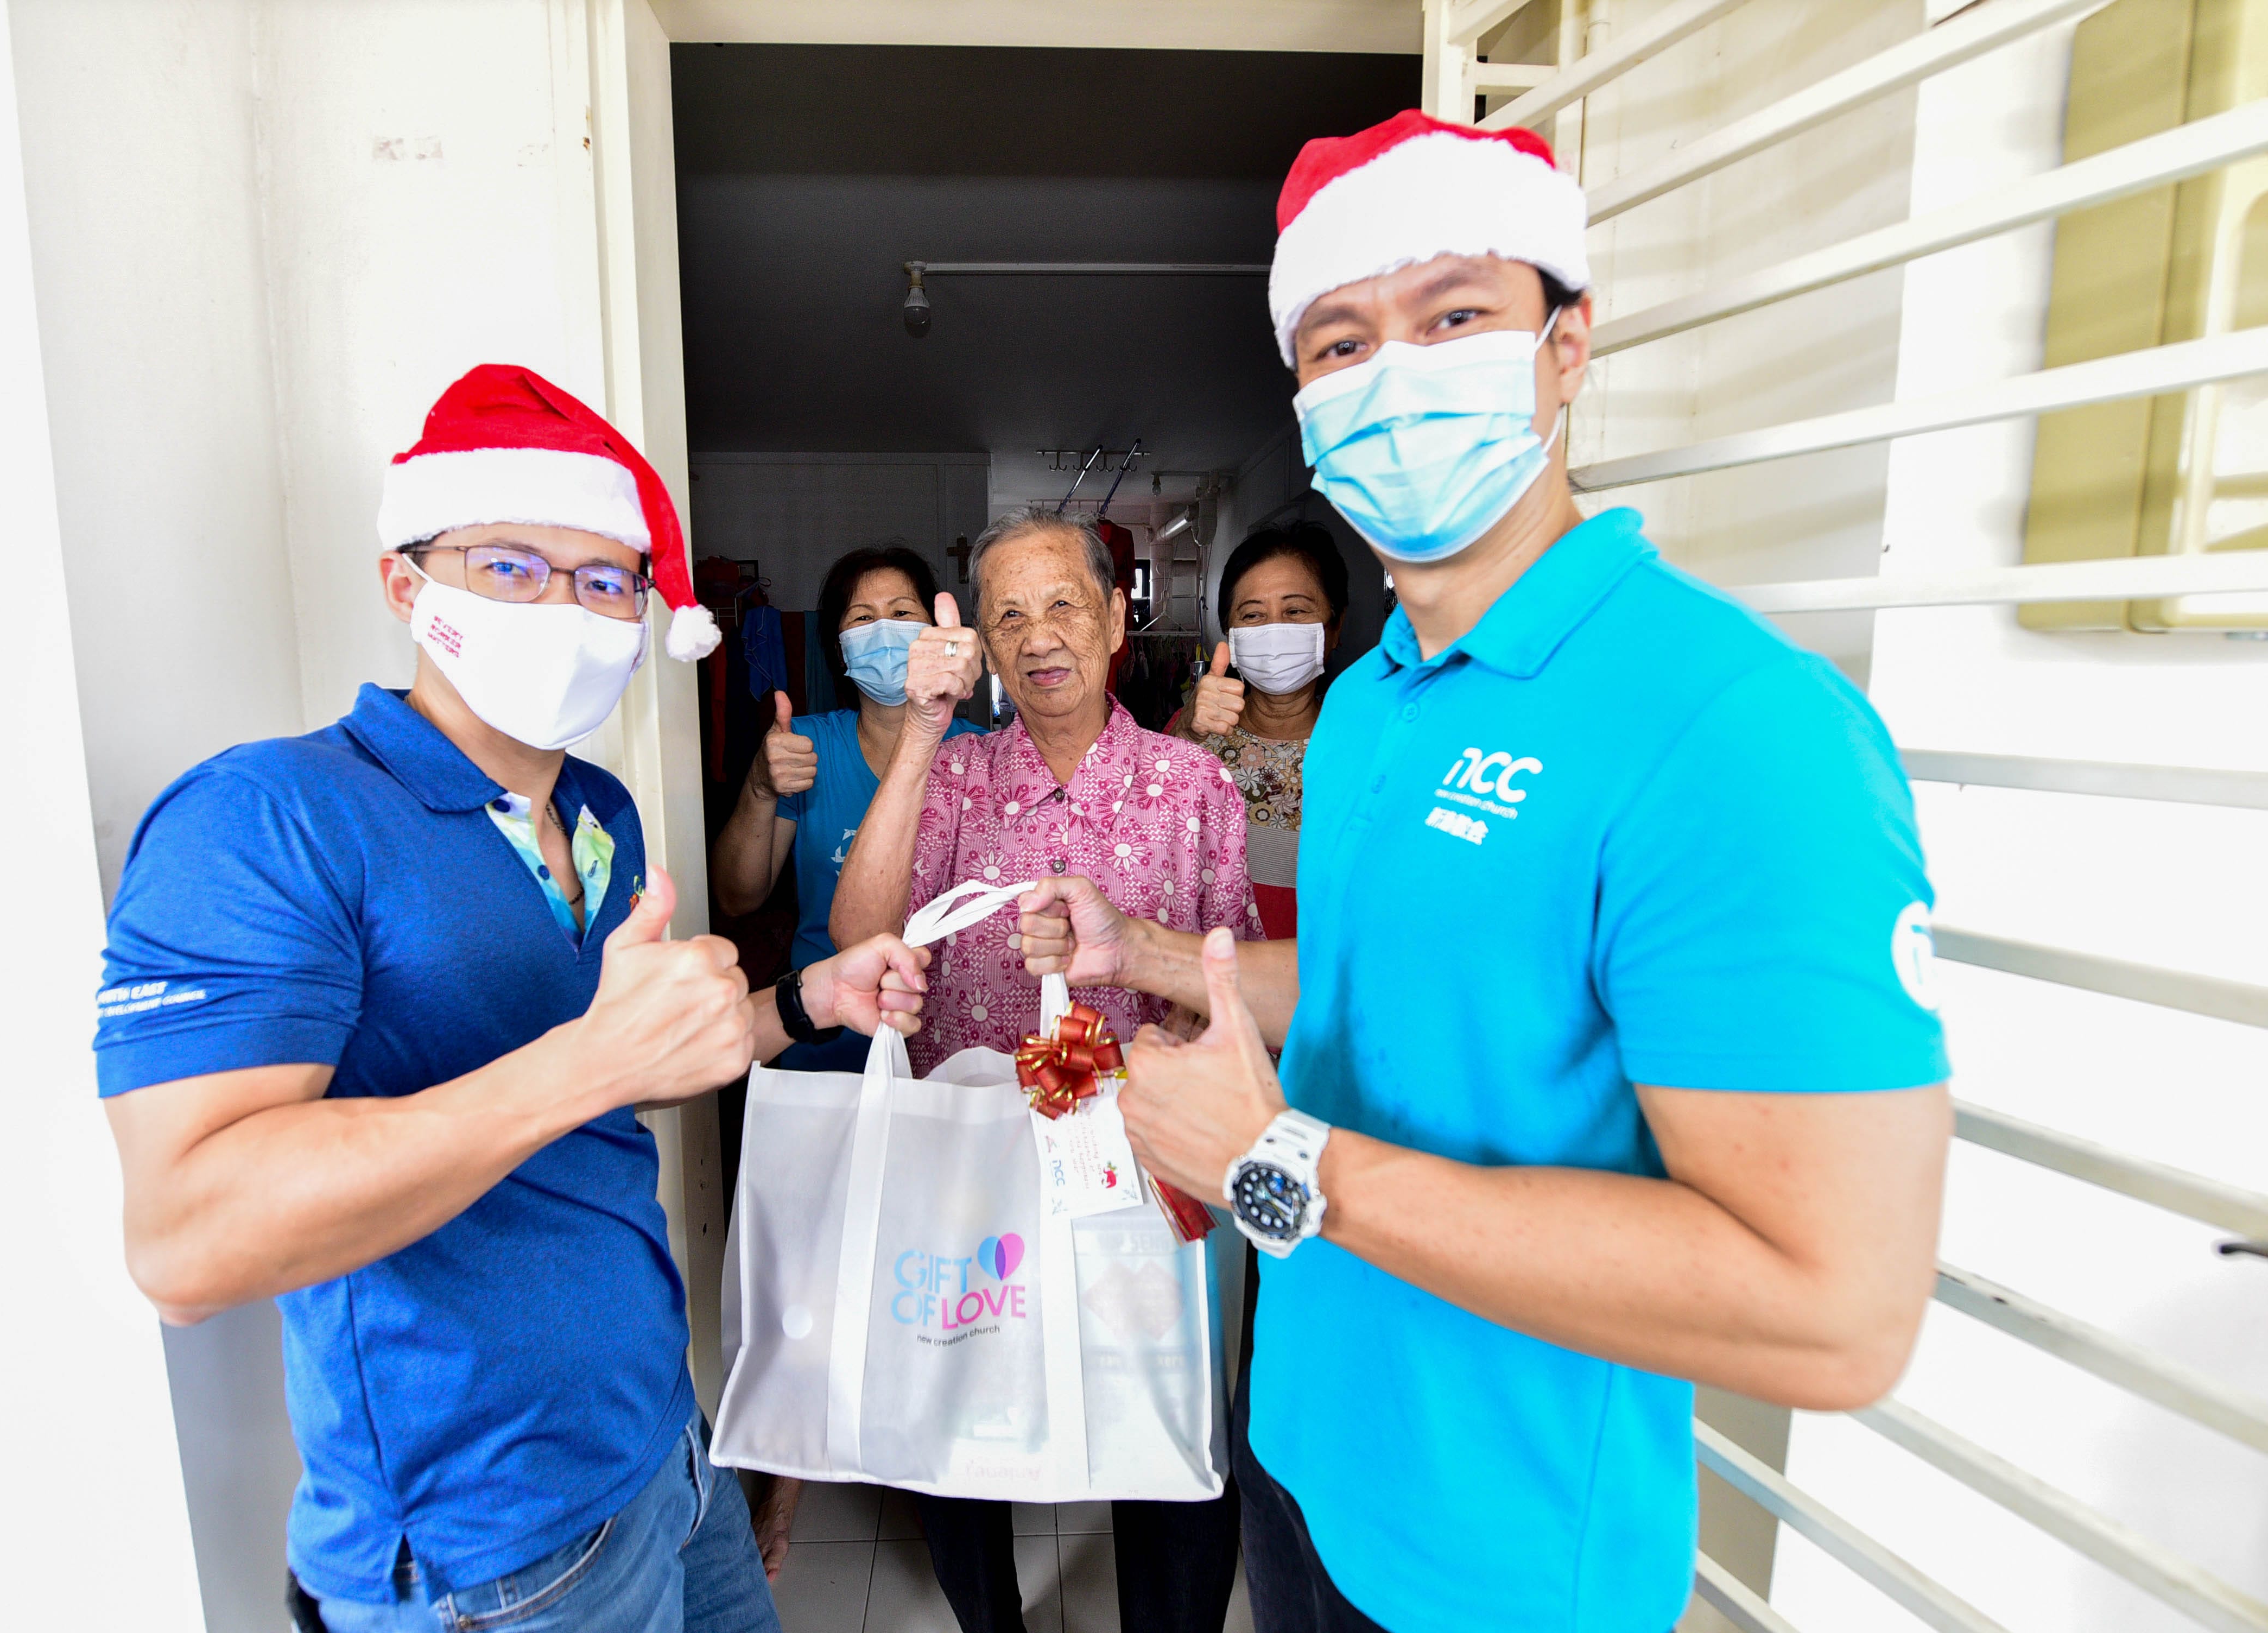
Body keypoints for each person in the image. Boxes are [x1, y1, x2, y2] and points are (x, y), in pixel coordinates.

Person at [1015, 111, 1952, 1633]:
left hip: (1500, 1565)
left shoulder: (1736, 729)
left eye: (1452, 318)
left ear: (1567, 346)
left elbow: (1833, 1312)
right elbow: (1397, 993)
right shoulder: (1378, 698)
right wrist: (1144, 954)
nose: (1392, 375)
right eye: (1339, 343)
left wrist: (1278, 1163)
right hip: (1303, 1462)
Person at [91, 364, 931, 1633]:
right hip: (488, 1555)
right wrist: (586, 1064)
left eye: (605, 582)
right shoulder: (269, 817)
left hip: (664, 1451)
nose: (568, 609)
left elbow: (641, 1054)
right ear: (405, 582)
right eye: (511, 566)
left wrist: (808, 998)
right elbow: (185, 1244)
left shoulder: (599, 811)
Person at [827, 503, 1255, 1633]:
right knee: (964, 1403)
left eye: (1064, 601)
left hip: (1142, 1168)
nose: (1037, 633)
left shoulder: (1192, 787)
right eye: (1008, 614)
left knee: (1162, 1422)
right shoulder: (957, 778)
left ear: (1119, 617)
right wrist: (920, 730)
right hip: (973, 1171)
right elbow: (855, 934)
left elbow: (1234, 990)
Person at [709, 545, 982, 1075]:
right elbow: (737, 898)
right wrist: (760, 788)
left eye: (903, 613)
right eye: (862, 617)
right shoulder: (803, 747)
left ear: (938, 633)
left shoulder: (982, 756)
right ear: (839, 648)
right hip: (825, 1039)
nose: (884, 630)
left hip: (952, 1047)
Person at [1167, 520, 1350, 937]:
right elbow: (1145, 846)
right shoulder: (1191, 733)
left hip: (1314, 985)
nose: (1274, 631)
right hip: (1205, 978)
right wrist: (1188, 737)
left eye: (1296, 611)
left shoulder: (1361, 747)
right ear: (1229, 634)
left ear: (1335, 627)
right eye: (1253, 615)